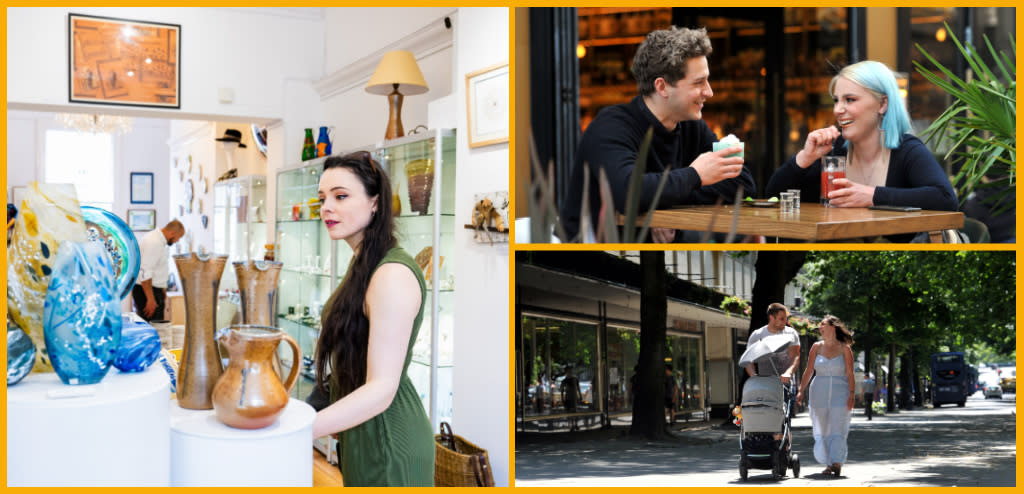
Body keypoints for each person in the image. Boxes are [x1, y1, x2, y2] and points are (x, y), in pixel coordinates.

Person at [558, 26, 755, 243]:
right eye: (699, 82)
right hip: (588, 263)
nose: (709, 92)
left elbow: (742, 183)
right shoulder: (611, 127)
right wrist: (695, 175)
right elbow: (629, 193)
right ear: (662, 87)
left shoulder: (690, 125)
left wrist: (661, 201)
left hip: (650, 263)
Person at [310, 151, 433, 486]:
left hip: (389, 437)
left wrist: (300, 427)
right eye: (323, 198)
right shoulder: (364, 263)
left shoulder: (391, 273)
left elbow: (381, 388)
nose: (326, 208)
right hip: (363, 431)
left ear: (375, 203)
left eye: (341, 196)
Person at [766, 60, 957, 241]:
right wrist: (804, 158)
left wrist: (872, 196)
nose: (838, 110)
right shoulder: (834, 151)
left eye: (850, 100)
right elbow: (773, 196)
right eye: (836, 100)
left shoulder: (907, 150)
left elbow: (946, 199)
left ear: (882, 104)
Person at [796, 315, 855, 477]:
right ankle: (829, 463)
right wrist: (801, 390)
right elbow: (809, 371)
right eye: (820, 326)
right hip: (818, 391)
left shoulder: (845, 348)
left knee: (838, 426)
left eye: (823, 325)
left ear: (833, 327)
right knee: (822, 427)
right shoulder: (816, 347)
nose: (820, 328)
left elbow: (850, 373)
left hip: (840, 392)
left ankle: (836, 462)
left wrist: (851, 394)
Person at [132, 219, 184, 321]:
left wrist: (162, 288)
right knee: (153, 328)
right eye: (178, 237)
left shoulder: (156, 239)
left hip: (152, 289)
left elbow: (155, 268)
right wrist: (150, 299)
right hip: (147, 291)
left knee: (155, 326)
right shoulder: (154, 242)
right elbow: (145, 271)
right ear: (172, 233)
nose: (177, 241)